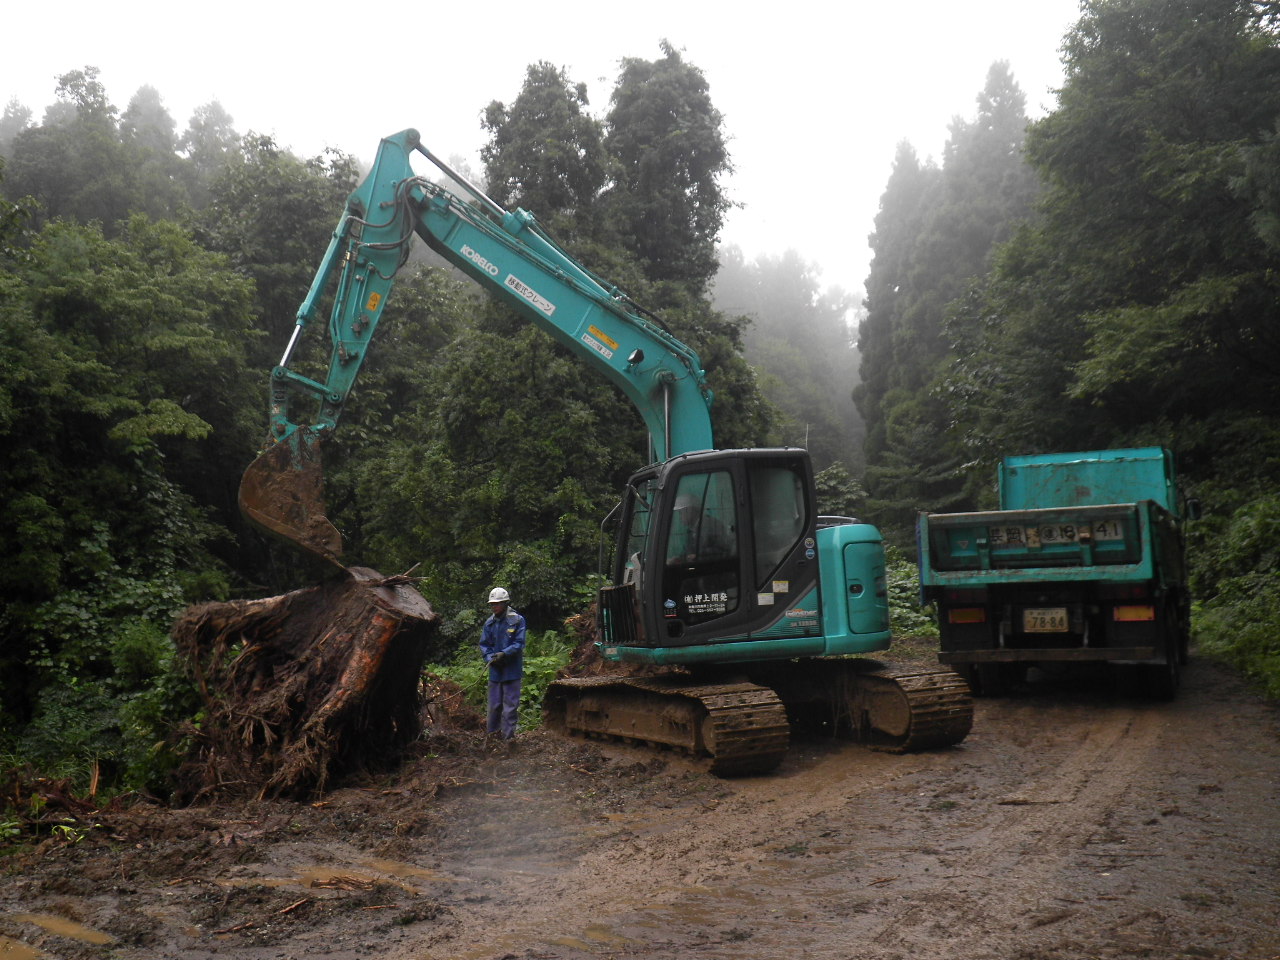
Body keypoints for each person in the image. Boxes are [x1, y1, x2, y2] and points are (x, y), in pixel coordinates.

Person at [479, 586, 526, 740]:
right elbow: (484, 644)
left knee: (509, 708)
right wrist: (489, 658)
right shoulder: (489, 623)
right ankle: (492, 737)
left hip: (511, 670)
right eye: (492, 604)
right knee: (494, 706)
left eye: (497, 604)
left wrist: (504, 654)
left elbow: (519, 643)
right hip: (495, 671)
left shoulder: (517, 620)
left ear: (505, 603)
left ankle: (508, 740)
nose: (494, 607)